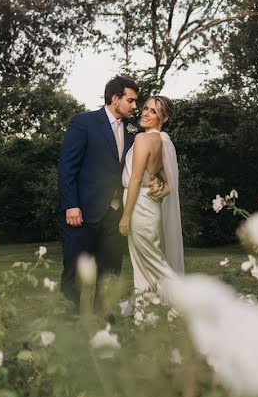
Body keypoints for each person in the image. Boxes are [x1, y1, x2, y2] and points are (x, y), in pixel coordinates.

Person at [57, 75, 139, 314]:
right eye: (131, 100)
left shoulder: (133, 129)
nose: (135, 106)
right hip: (82, 212)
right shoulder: (84, 123)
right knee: (75, 271)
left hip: (116, 216)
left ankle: (104, 321)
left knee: (111, 271)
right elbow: (67, 167)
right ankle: (69, 325)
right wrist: (71, 205)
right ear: (115, 98)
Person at [119, 96, 185, 314]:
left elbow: (136, 179)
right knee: (142, 265)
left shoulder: (142, 140)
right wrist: (162, 189)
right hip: (149, 204)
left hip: (139, 205)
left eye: (153, 111)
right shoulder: (161, 141)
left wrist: (126, 216)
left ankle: (186, 308)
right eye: (145, 108)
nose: (146, 113)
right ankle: (145, 318)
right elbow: (168, 183)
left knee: (154, 264)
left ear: (163, 118)